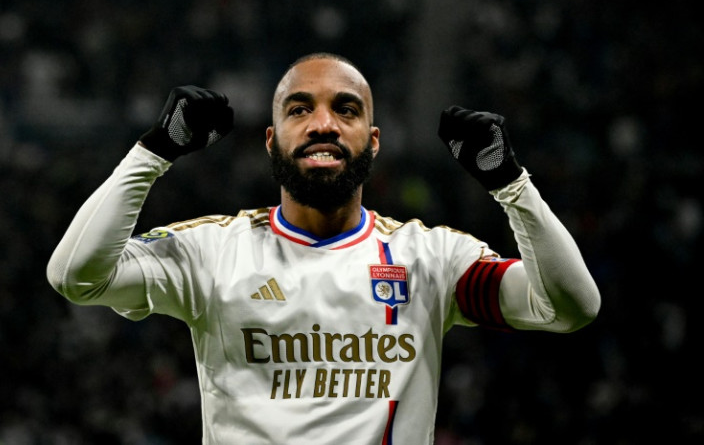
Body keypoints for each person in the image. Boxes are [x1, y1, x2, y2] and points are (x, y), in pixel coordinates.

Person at [47, 52, 601, 444]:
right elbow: (76, 274)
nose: (323, 124)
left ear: (373, 140)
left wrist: (511, 183)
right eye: (298, 109)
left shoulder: (431, 259)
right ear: (272, 139)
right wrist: (155, 151)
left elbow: (570, 306)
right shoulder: (211, 251)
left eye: (346, 109)